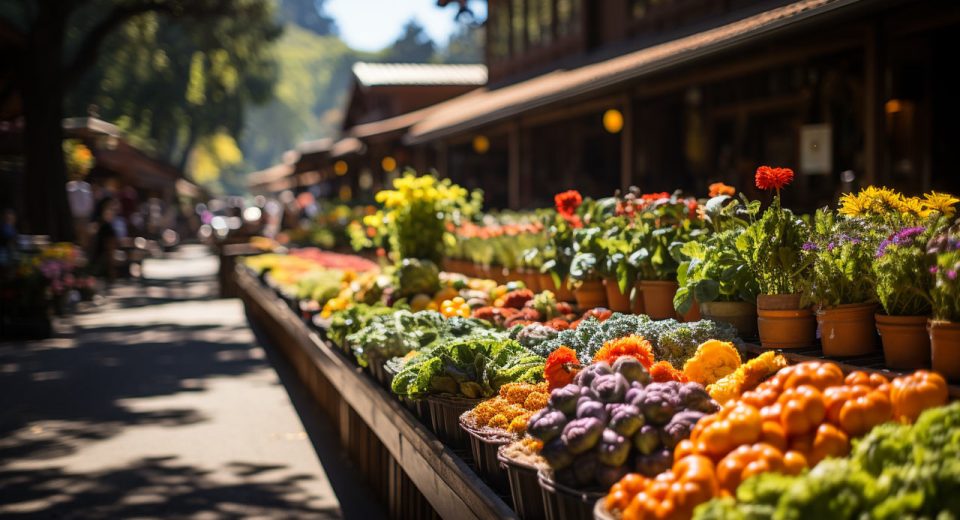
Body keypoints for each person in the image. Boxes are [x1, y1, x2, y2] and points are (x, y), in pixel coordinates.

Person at [89, 198, 118, 283]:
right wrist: (112, 269)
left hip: (95, 264)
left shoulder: (97, 225)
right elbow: (110, 251)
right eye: (111, 209)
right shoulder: (107, 228)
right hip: (102, 266)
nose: (114, 211)